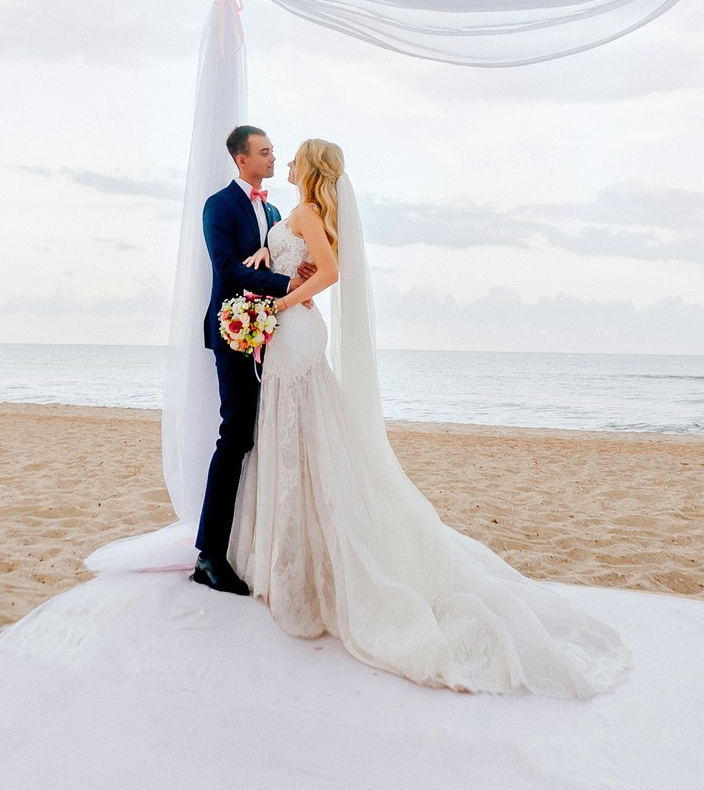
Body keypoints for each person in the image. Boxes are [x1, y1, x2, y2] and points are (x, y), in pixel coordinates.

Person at [222, 138, 631, 698]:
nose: (286, 162)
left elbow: (330, 272)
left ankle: (308, 573)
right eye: (277, 154)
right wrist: (270, 261)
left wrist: (281, 303)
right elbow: (298, 260)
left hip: (294, 332)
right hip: (287, 334)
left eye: (293, 157)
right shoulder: (291, 212)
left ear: (310, 169)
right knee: (293, 438)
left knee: (302, 437)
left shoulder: (308, 211)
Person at [190, 125, 304, 596]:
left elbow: (273, 261)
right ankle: (209, 556)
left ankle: (245, 543)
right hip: (233, 331)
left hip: (272, 332)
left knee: (262, 435)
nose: (273, 156)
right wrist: (286, 287)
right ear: (242, 159)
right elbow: (228, 268)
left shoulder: (275, 209)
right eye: (264, 151)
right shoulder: (219, 205)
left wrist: (301, 274)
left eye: (273, 150)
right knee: (234, 435)